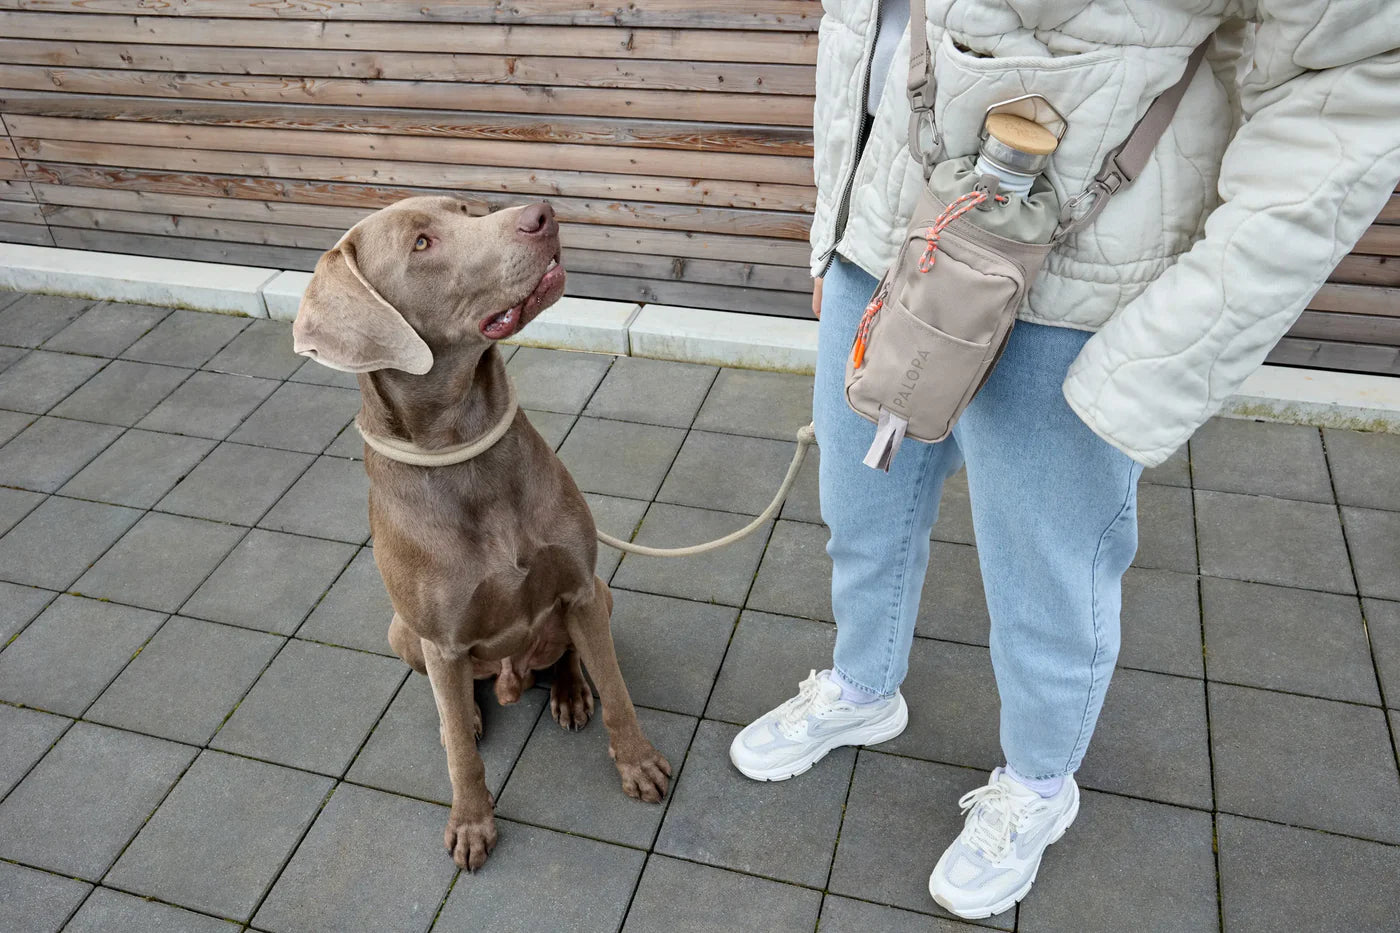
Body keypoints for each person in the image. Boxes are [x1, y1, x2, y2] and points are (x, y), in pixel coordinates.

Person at [729, 0, 1400, 920]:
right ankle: (860, 685)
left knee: (1046, 573)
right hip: (891, 225)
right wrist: (832, 216)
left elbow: (1353, 75)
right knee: (859, 500)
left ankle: (1039, 782)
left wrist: (1174, 346)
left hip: (1083, 270)